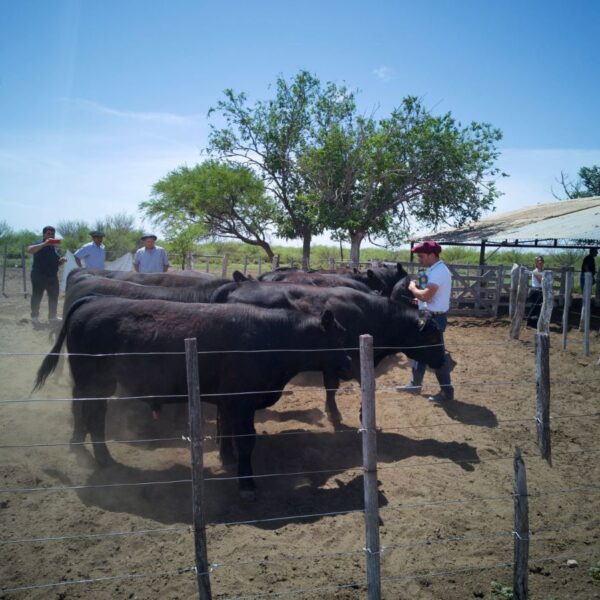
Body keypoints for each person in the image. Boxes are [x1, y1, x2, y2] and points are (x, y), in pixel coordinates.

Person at [397, 240, 454, 402]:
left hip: (434, 318)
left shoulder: (438, 272)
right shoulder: (434, 270)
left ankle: (446, 391)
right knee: (419, 349)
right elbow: (428, 298)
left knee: (436, 354)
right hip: (429, 315)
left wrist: (413, 288)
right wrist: (421, 302)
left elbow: (425, 295)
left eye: (421, 256)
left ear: (432, 255)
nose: (419, 259)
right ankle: (415, 384)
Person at [26, 225, 67, 325]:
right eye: (49, 233)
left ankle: (52, 317)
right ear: (44, 234)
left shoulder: (53, 247)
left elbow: (56, 262)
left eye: (53, 233)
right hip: (39, 275)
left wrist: (61, 261)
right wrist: (45, 243)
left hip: (52, 276)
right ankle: (34, 316)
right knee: (37, 296)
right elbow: (30, 250)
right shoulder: (39, 243)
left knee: (54, 296)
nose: (51, 235)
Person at [526, 256, 544, 328]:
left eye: (542, 261)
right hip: (536, 291)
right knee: (534, 307)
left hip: (540, 291)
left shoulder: (543, 271)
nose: (541, 262)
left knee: (538, 308)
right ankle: (530, 323)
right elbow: (541, 280)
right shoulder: (535, 271)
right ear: (536, 262)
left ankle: (536, 323)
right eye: (539, 261)